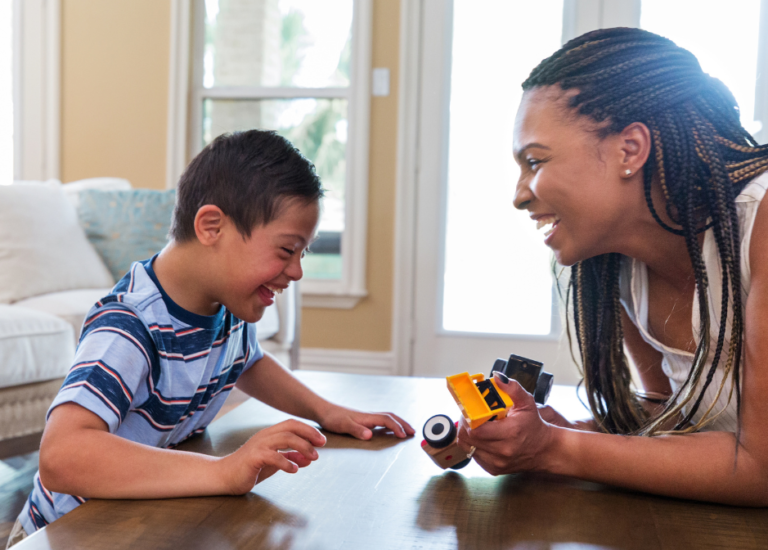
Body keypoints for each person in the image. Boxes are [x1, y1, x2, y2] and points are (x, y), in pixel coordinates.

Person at [9, 130, 415, 546]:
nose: (296, 272)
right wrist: (225, 471)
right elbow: (62, 456)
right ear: (212, 227)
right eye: (286, 250)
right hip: (70, 532)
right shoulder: (130, 327)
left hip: (142, 518)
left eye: (303, 254)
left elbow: (249, 362)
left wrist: (327, 412)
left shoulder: (224, 309)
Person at [456, 27, 768, 506]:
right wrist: (544, 432)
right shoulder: (617, 263)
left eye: (534, 161)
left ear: (630, 149)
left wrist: (555, 449)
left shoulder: (759, 226)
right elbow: (667, 420)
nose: (519, 195)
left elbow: (760, 469)